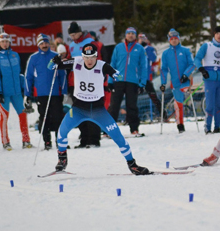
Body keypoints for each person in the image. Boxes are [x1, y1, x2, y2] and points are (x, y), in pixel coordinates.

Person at [50, 43, 150, 175]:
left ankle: (132, 165)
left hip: (98, 111)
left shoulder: (102, 65)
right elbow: (51, 67)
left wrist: (116, 75)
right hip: (78, 109)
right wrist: (54, 61)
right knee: (62, 132)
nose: (90, 60)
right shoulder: (76, 61)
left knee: (118, 137)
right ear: (83, 56)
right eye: (87, 57)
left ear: (96, 56)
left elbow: (115, 73)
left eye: (92, 57)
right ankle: (62, 159)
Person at [0, 32, 32, 150]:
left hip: (17, 92)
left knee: (23, 115)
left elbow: (20, 73)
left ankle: (26, 140)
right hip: (4, 93)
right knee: (4, 117)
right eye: (3, 42)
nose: (5, 44)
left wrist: (24, 89)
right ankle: (5, 142)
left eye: (7, 41)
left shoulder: (15, 55)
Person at [24, 33, 67, 150]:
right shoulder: (33, 58)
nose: (44, 45)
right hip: (41, 94)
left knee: (58, 118)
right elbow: (28, 77)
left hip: (55, 94)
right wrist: (27, 94)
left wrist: (63, 91)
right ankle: (47, 141)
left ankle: (60, 141)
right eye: (42, 43)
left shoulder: (55, 56)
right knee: (44, 117)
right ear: (38, 44)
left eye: (46, 42)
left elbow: (62, 75)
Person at [108, 27, 147, 135]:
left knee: (132, 106)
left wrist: (142, 83)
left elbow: (143, 67)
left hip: (132, 81)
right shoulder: (119, 47)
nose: (130, 35)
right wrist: (110, 81)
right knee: (114, 106)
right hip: (118, 80)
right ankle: (109, 130)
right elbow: (113, 64)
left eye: (133, 34)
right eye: (128, 33)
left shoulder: (140, 49)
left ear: (135, 36)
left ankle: (134, 129)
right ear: (125, 35)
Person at [68, 22, 102, 148]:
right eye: (71, 35)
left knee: (91, 110)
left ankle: (94, 139)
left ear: (80, 32)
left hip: (89, 81)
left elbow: (98, 61)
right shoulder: (71, 45)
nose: (73, 37)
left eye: (75, 34)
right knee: (80, 111)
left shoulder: (90, 42)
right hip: (76, 82)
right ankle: (84, 139)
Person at [194, 26, 220, 134]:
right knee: (210, 105)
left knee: (219, 105)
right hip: (209, 79)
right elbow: (197, 58)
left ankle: (217, 127)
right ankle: (207, 126)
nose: (219, 36)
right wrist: (201, 69)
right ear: (214, 35)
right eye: (217, 33)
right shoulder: (207, 46)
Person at [160, 29, 196, 133]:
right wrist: (163, 83)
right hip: (175, 82)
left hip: (186, 80)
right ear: (169, 40)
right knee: (178, 103)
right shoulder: (166, 53)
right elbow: (164, 69)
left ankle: (180, 123)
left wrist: (186, 74)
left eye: (176, 38)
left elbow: (192, 64)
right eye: (172, 39)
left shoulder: (185, 51)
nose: (174, 41)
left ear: (179, 39)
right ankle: (180, 125)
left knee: (179, 100)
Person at [138, 33, 167, 121]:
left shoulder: (150, 49)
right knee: (132, 98)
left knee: (153, 96)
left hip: (146, 77)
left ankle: (163, 115)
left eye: (143, 38)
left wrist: (146, 47)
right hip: (136, 77)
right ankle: (131, 118)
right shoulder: (136, 49)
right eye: (140, 39)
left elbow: (153, 58)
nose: (141, 40)